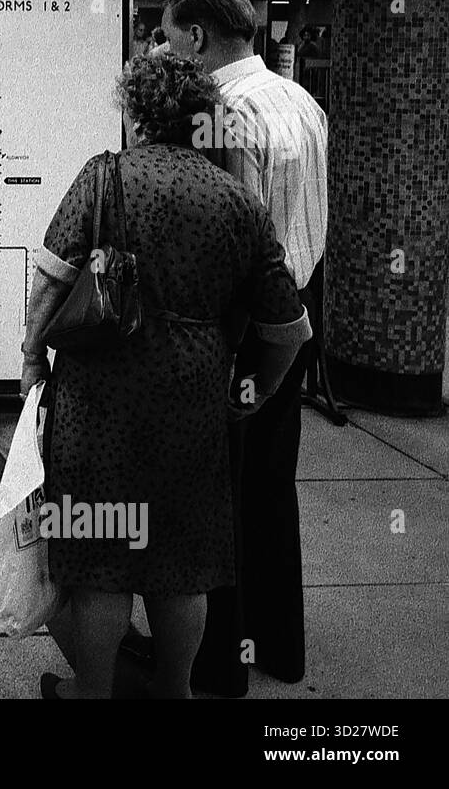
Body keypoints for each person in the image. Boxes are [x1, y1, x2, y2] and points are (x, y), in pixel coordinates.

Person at [22, 54, 312, 699]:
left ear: (137, 113)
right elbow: (288, 328)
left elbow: (52, 276)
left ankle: (91, 692)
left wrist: (30, 356)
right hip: (193, 396)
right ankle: (175, 692)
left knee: (102, 555)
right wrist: (256, 391)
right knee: (180, 564)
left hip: (100, 397)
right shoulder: (236, 200)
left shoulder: (104, 177)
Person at [161, 0, 328, 694]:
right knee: (269, 484)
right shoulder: (300, 100)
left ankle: (218, 656)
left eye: (171, 38)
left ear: (197, 38)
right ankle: (279, 648)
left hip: (247, 323)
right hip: (298, 310)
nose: (169, 51)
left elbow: (230, 235)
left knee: (214, 492)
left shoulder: (223, 113)